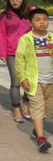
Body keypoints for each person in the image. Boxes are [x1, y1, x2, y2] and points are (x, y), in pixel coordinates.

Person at [15, 9, 53, 152]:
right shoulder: (26, 39)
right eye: (37, 20)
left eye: (45, 19)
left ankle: (37, 131)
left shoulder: (51, 37)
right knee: (37, 107)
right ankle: (41, 138)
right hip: (33, 81)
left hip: (50, 81)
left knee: (46, 109)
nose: (42, 22)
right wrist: (22, 78)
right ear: (30, 23)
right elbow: (19, 60)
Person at [0, 0, 32, 122]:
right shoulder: (4, 15)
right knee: (16, 82)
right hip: (12, 52)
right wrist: (2, 52)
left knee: (31, 81)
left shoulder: (31, 12)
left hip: (29, 53)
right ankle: (17, 110)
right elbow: (2, 35)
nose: (15, 1)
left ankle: (25, 101)